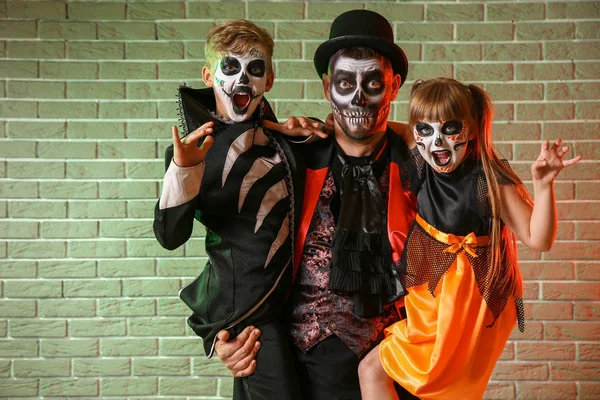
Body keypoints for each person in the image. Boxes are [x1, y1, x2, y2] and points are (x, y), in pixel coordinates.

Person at [215, 10, 420, 400]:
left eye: (374, 82)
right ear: (328, 87)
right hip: (301, 371)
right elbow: (234, 247)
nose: (358, 97)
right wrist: (226, 336)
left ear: (394, 86)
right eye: (345, 82)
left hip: (397, 370)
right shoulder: (290, 158)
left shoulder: (421, 160)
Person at [357, 77, 582, 400]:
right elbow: (387, 129)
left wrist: (543, 185)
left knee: (397, 376)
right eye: (425, 129)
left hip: (463, 304)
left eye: (450, 129)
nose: (436, 142)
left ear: (472, 129)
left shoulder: (488, 180)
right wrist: (332, 122)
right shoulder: (420, 156)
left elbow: (538, 238)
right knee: (374, 371)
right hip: (428, 295)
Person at [153, 19, 323, 400]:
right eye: (230, 67)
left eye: (255, 68)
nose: (243, 79)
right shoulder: (192, 152)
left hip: (296, 308)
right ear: (209, 76)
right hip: (248, 313)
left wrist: (303, 130)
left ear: (269, 79)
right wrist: (183, 171)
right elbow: (169, 236)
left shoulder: (282, 138)